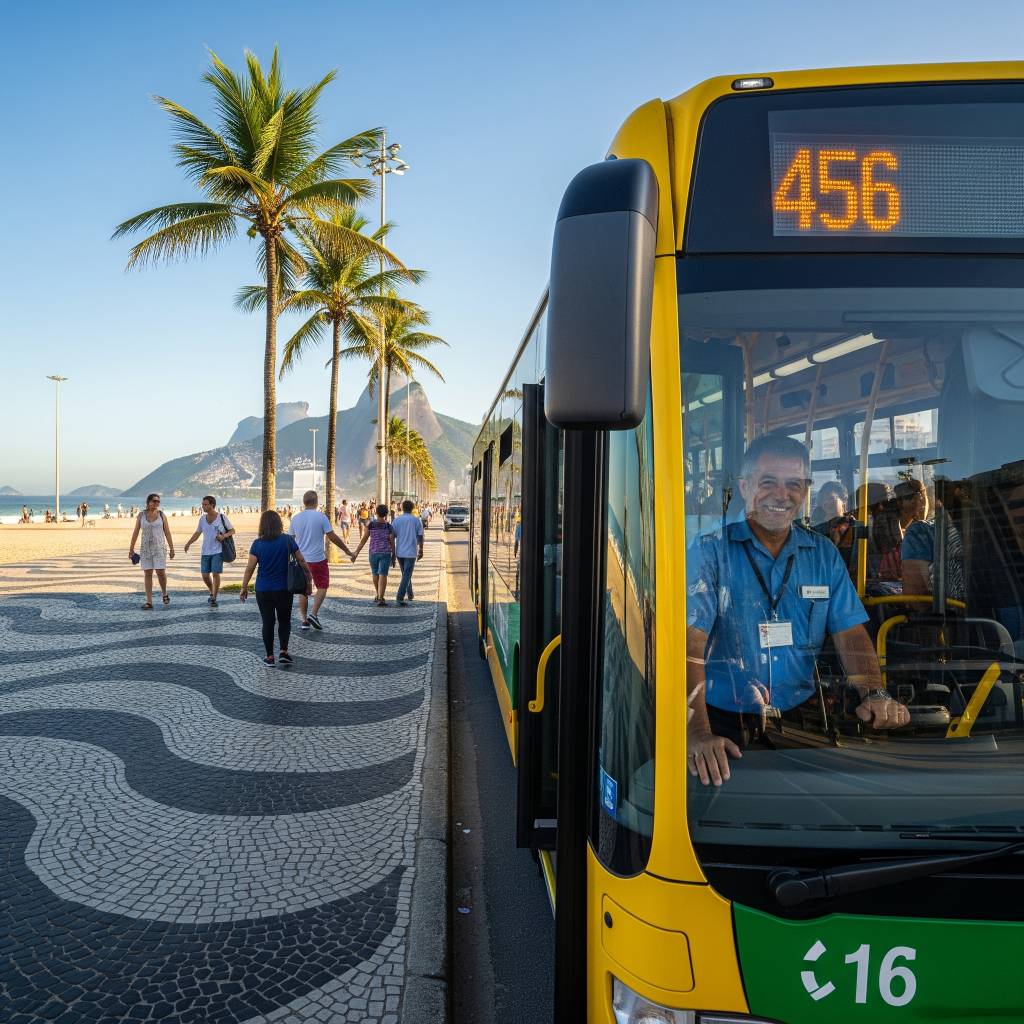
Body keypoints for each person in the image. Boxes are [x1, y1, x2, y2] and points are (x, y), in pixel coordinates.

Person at [686, 434, 909, 787]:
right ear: (744, 487)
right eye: (768, 482)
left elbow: (849, 631)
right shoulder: (711, 552)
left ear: (805, 490)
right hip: (723, 722)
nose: (781, 495)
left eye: (793, 484)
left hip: (801, 721)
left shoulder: (823, 555)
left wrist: (872, 691)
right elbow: (691, 643)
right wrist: (696, 732)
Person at [239, 510, 312, 666]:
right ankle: (283, 652)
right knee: (284, 620)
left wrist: (244, 587)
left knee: (268, 622)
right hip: (283, 588)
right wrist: (309, 580)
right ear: (279, 523)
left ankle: (269, 657)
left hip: (263, 589)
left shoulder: (257, 544)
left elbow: (249, 568)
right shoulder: (287, 540)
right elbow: (302, 562)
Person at [289, 489, 354, 630]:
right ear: (317, 502)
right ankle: (313, 614)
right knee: (322, 586)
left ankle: (304, 620)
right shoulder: (321, 517)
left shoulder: (295, 518)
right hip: (318, 559)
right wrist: (348, 551)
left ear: (304, 502)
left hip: (301, 560)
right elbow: (333, 537)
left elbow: (290, 541)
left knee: (303, 590)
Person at [183, 495, 235, 607]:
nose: (203, 506)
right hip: (205, 551)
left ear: (212, 505)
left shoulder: (221, 517)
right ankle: (212, 591)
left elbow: (232, 530)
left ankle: (214, 597)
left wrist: (224, 536)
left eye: (205, 504)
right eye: (202, 504)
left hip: (218, 551)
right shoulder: (202, 519)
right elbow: (197, 533)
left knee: (216, 573)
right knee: (205, 575)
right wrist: (188, 543)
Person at [129, 493, 175, 609]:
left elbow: (167, 532)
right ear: (148, 502)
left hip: (159, 548)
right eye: (154, 501)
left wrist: (172, 548)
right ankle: (149, 601)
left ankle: (164, 593)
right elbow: (135, 532)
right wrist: (131, 549)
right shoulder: (141, 515)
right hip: (145, 549)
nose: (157, 503)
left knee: (160, 572)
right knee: (147, 574)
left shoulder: (161, 515)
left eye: (158, 501)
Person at [351, 504, 396, 606]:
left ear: (376, 513)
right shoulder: (389, 527)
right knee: (383, 574)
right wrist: (394, 556)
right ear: (386, 514)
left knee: (375, 573)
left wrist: (356, 553)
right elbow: (392, 542)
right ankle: (381, 597)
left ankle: (378, 594)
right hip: (385, 553)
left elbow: (364, 540)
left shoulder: (370, 525)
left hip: (373, 553)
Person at [392, 499, 425, 606]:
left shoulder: (397, 520)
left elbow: (392, 536)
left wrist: (393, 552)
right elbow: (420, 537)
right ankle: (400, 596)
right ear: (412, 508)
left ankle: (410, 594)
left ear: (402, 508)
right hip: (411, 551)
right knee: (407, 574)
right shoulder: (416, 521)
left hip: (399, 551)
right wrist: (421, 550)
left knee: (405, 574)